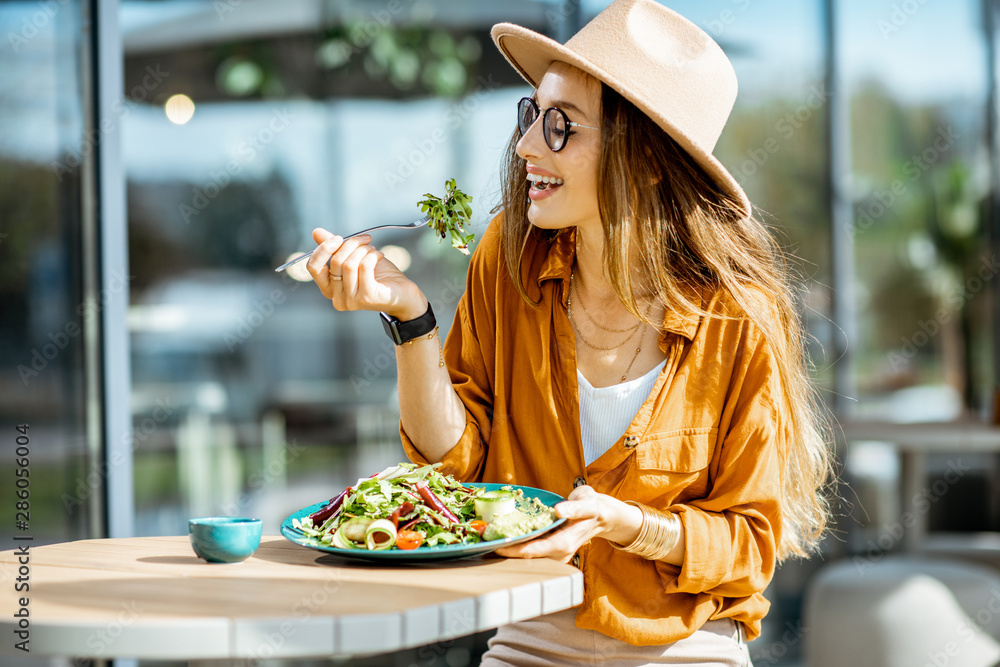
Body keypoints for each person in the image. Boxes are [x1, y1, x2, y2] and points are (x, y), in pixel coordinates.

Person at [306, 0, 833, 664]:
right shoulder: (508, 257)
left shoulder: (739, 316)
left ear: (646, 160)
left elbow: (749, 547)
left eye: (562, 127)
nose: (527, 146)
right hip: (532, 632)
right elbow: (454, 465)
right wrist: (411, 316)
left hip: (684, 646)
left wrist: (630, 526)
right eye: (532, 116)